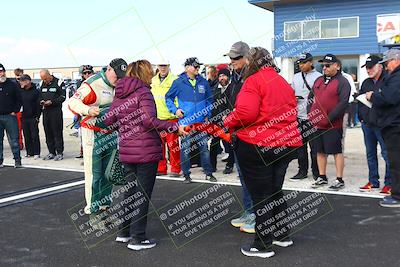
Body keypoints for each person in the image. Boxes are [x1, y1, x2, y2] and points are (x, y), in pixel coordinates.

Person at [224, 47, 302, 258]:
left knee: (261, 195)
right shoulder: (282, 81)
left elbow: (246, 114)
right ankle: (282, 234)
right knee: (274, 190)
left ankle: (262, 244)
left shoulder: (253, 81)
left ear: (251, 63)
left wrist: (228, 120)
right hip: (285, 144)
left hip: (257, 144)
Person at [105, 60, 187, 251]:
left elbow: (109, 121)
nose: (153, 73)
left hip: (127, 150)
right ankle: (138, 238)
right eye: (150, 71)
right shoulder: (143, 92)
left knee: (129, 192)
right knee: (142, 194)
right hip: (145, 150)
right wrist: (174, 127)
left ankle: (124, 233)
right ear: (144, 73)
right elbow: (149, 120)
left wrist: (126, 125)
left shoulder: (120, 93)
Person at [68, 58, 127, 215]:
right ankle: (92, 206)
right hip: (93, 132)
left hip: (111, 133)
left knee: (109, 171)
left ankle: (104, 204)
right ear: (109, 70)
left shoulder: (121, 83)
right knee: (94, 172)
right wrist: (87, 110)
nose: (119, 79)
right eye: (117, 75)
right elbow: (73, 102)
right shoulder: (92, 84)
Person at [165, 57, 216, 183]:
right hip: (186, 123)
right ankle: (186, 175)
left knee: (204, 148)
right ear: (187, 68)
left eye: (198, 66)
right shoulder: (178, 82)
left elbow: (210, 100)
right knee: (186, 149)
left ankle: (209, 173)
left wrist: (207, 113)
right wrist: (175, 110)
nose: (198, 68)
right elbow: (168, 97)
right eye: (195, 66)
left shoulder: (203, 82)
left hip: (201, 122)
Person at [223, 41, 255, 233]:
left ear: (246, 57)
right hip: (237, 131)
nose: (232, 61)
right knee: (243, 174)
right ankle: (248, 210)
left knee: (252, 176)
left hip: (250, 132)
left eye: (236, 58)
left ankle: (256, 214)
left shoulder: (252, 76)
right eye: (231, 58)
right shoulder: (236, 76)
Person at [308, 54, 351, 190]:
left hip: (333, 124)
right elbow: (310, 97)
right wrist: (311, 114)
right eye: (323, 65)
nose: (324, 68)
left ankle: (339, 179)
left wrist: (329, 118)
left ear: (337, 66)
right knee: (319, 151)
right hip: (317, 123)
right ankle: (322, 176)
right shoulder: (319, 80)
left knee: (336, 151)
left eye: (328, 65)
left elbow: (343, 103)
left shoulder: (343, 82)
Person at [366, 48, 400, 207]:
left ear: (396, 60)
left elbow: (389, 97)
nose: (386, 67)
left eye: (387, 63)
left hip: (394, 126)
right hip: (391, 124)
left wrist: (373, 95)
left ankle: (397, 195)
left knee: (395, 161)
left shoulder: (396, 77)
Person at [358, 55, 391, 195]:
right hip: (368, 124)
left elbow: (389, 100)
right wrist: (361, 118)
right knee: (370, 154)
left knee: (387, 154)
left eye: (371, 67)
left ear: (380, 66)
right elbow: (360, 100)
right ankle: (373, 180)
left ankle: (389, 183)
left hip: (383, 124)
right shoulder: (366, 82)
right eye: (366, 67)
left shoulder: (388, 80)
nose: (368, 70)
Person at [290, 53, 321, 180]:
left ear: (311, 62)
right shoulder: (296, 77)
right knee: (300, 147)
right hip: (299, 116)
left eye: (304, 62)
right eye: (300, 63)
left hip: (313, 118)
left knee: (314, 148)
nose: (301, 65)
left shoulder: (319, 77)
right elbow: (291, 92)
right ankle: (302, 171)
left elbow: (321, 96)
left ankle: (317, 172)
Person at [150, 60, 181, 177]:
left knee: (173, 146)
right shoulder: (152, 81)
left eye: (165, 66)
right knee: (159, 146)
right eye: (160, 65)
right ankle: (161, 168)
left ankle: (175, 169)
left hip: (171, 118)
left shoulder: (175, 80)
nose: (162, 68)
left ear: (168, 66)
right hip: (157, 118)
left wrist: (177, 110)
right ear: (157, 66)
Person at [209, 68, 234, 174]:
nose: (222, 78)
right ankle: (212, 166)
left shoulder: (233, 88)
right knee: (213, 144)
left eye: (224, 76)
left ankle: (230, 165)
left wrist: (228, 115)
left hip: (229, 121)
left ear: (228, 77)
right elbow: (212, 105)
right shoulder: (214, 89)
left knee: (230, 143)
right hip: (216, 121)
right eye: (220, 76)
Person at [39, 69, 65, 161]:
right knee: (48, 132)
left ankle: (59, 152)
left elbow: (63, 97)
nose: (45, 81)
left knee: (57, 132)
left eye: (46, 79)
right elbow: (39, 95)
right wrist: (41, 101)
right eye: (43, 79)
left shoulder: (59, 82)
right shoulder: (42, 83)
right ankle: (51, 152)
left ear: (49, 75)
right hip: (46, 111)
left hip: (56, 111)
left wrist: (52, 102)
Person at [0, 63, 22, 168]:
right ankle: (0, 161)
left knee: (14, 140)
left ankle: (17, 160)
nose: (2, 74)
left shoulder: (12, 84)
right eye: (0, 72)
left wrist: (15, 110)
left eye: (3, 71)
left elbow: (19, 99)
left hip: (10, 116)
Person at [73, 65, 95, 159]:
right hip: (82, 111)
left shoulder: (95, 82)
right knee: (81, 134)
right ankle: (83, 152)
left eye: (89, 72)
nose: (87, 74)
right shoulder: (80, 84)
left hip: (93, 111)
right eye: (85, 73)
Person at [19, 74, 41, 159]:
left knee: (34, 135)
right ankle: (29, 152)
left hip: (33, 116)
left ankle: (36, 152)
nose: (21, 83)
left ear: (28, 81)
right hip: (24, 117)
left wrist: (37, 116)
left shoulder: (36, 91)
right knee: (26, 135)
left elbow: (38, 105)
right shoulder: (21, 91)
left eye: (22, 81)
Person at [13, 68, 24, 150]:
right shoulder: (13, 84)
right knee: (18, 129)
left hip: (26, 109)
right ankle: (19, 145)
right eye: (18, 75)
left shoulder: (26, 82)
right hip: (17, 110)